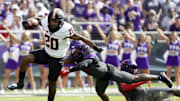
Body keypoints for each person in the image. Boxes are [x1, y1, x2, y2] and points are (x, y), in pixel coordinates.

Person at [7, 8, 102, 101]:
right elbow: (38, 19)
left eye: (55, 21)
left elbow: (82, 38)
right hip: (46, 52)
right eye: (51, 21)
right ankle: (20, 83)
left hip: (57, 59)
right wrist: (32, 21)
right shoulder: (45, 22)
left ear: (60, 22)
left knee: (52, 82)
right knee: (26, 58)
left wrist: (96, 47)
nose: (53, 23)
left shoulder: (66, 29)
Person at [60, 42, 173, 101]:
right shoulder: (76, 58)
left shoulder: (89, 55)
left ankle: (159, 77)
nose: (74, 54)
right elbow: (63, 60)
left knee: (133, 79)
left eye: (75, 51)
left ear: (81, 51)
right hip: (101, 77)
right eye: (73, 52)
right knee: (100, 93)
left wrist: (69, 70)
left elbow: (84, 64)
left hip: (110, 71)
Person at [3, 24, 36, 93]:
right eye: (24, 35)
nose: (25, 36)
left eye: (27, 35)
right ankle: (18, 88)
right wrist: (7, 29)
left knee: (30, 75)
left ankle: (33, 89)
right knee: (19, 76)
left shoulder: (30, 44)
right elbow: (13, 36)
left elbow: (32, 53)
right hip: (21, 61)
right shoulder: (21, 43)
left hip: (28, 61)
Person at [156, 23, 180, 88]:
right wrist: (157, 28)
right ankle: (168, 85)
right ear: (171, 36)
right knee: (168, 72)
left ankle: (178, 86)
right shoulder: (169, 41)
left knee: (177, 73)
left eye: (175, 35)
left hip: (176, 58)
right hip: (170, 57)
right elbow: (162, 35)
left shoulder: (178, 42)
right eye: (172, 35)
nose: (173, 36)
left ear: (177, 36)